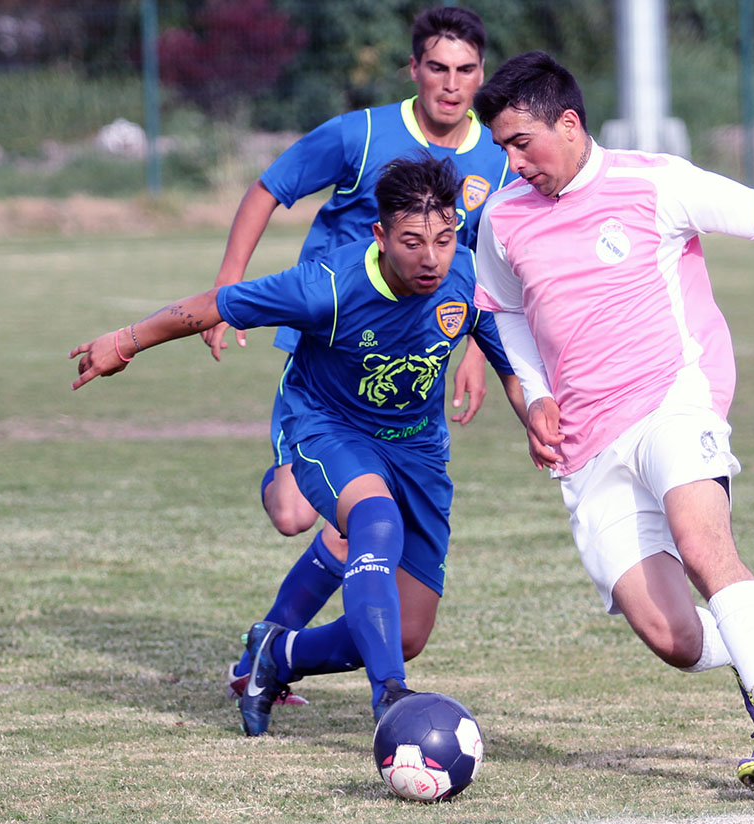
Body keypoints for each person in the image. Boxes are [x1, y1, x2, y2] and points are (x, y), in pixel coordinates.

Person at [471, 51, 754, 790]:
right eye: (502, 148)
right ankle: (753, 647)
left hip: (673, 401)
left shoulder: (655, 182)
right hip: (586, 444)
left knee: (702, 544)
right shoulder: (501, 219)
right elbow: (505, 312)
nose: (513, 163)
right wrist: (535, 394)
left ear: (568, 123)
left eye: (521, 143)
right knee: (673, 637)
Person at [71, 156, 527, 735]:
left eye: (443, 240)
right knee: (374, 520)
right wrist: (125, 341)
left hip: (418, 450)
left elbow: (513, 367)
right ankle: (390, 694)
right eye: (412, 242)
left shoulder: (467, 276)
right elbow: (216, 304)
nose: (431, 258)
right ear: (381, 235)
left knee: (408, 633)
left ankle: (277, 655)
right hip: (330, 427)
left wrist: (537, 419)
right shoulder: (326, 286)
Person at [203, 7, 512, 689]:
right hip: (332, 351)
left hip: (412, 363)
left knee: (365, 522)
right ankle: (279, 649)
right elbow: (269, 189)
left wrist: (474, 352)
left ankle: (268, 656)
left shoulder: (497, 158)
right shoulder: (361, 133)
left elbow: (483, 272)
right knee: (296, 513)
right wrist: (228, 287)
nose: (451, 84)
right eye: (437, 68)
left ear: (481, 75)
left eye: (465, 70)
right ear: (414, 69)